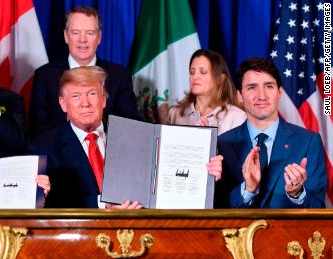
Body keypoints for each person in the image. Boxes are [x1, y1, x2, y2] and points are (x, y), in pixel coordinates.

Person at [30, 66, 223, 208]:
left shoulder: (138, 138)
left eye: (91, 94)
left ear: (104, 99)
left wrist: (202, 170)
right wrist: (104, 205)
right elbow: (52, 203)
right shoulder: (44, 148)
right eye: (75, 96)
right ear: (62, 104)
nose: (85, 103)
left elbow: (166, 184)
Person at [216, 58, 326, 208]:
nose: (262, 96)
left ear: (279, 92)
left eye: (269, 86)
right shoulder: (222, 144)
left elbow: (318, 208)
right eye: (251, 88)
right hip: (241, 231)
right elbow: (216, 208)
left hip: (289, 231)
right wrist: (248, 190)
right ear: (239, 96)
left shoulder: (308, 142)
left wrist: (297, 194)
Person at [29, 6, 139, 139]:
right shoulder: (45, 76)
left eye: (90, 33)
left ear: (99, 37)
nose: (82, 39)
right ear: (66, 36)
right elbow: (37, 128)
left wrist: (94, 125)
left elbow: (129, 125)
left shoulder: (120, 76)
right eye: (76, 32)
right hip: (59, 156)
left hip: (105, 152)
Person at [168, 49, 246, 135]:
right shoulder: (175, 114)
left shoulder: (236, 117)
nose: (195, 76)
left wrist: (208, 139)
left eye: (203, 72)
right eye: (192, 72)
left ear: (220, 79)